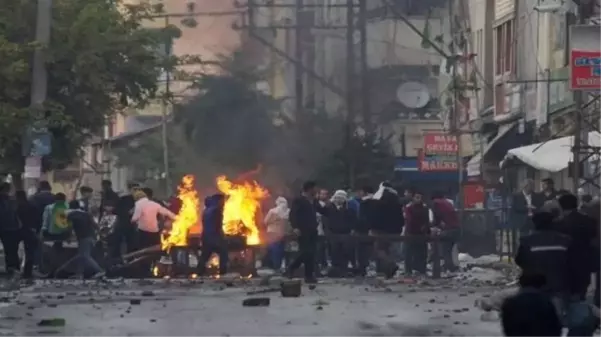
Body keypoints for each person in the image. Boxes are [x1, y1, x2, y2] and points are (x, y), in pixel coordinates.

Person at [514, 212, 570, 304]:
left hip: (534, 285)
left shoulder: (527, 241)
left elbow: (520, 260)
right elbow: (571, 262)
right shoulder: (565, 240)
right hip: (559, 285)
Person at [555, 193, 597, 300]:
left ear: (561, 206)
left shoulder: (559, 224)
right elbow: (593, 237)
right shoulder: (589, 221)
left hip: (565, 263)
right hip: (584, 262)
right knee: (581, 294)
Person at [501, 272, 562, 337]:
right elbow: (555, 328)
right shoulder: (546, 303)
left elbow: (507, 328)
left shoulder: (511, 303)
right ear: (542, 286)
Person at [286, 181, 323, 283]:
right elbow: (292, 215)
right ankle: (292, 267)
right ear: (310, 189)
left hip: (313, 230)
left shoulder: (314, 201)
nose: (316, 191)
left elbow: (322, 210)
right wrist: (295, 227)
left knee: (312, 254)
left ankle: (309, 276)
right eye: (315, 188)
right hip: (302, 230)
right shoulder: (299, 200)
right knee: (306, 252)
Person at [54, 203, 104, 279]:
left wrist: (69, 237)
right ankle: (78, 272)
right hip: (92, 237)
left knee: (85, 256)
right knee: (82, 256)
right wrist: (100, 234)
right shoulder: (86, 214)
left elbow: (69, 227)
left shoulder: (71, 214)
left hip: (83, 238)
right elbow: (95, 225)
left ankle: (99, 271)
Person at [370, 182, 403, 278]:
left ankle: (390, 265)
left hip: (380, 229)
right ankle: (388, 271)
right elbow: (400, 216)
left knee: (379, 250)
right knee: (390, 250)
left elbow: (375, 215)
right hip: (394, 229)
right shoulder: (396, 200)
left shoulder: (378, 198)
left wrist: (373, 226)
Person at [323, 190, 357, 277]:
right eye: (337, 197)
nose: (339, 199)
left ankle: (344, 270)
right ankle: (336, 270)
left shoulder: (349, 209)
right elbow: (326, 221)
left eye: (341, 198)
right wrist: (327, 232)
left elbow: (353, 221)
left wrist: (352, 230)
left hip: (345, 234)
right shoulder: (329, 208)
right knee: (334, 252)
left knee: (345, 252)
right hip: (333, 233)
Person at [197, 194, 228, 276]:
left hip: (205, 237)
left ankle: (199, 272)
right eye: (222, 201)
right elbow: (218, 226)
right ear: (218, 201)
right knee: (223, 252)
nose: (224, 203)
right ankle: (223, 272)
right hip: (214, 237)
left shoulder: (206, 210)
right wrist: (223, 237)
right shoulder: (217, 210)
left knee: (205, 255)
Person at [431, 191, 460, 273]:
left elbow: (437, 217)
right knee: (448, 250)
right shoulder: (447, 202)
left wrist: (434, 226)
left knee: (445, 250)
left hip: (449, 230)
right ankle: (450, 267)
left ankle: (448, 268)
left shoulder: (436, 203)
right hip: (456, 229)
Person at [404, 191, 430, 276]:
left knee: (421, 253)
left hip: (421, 233)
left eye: (420, 197)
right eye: (417, 197)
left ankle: (421, 269)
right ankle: (409, 270)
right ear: (413, 198)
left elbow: (427, 220)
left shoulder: (424, 208)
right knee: (409, 253)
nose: (419, 199)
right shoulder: (409, 207)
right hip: (411, 233)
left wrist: (425, 228)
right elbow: (409, 220)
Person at [15, 190, 39, 279]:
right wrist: (36, 229)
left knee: (14, 251)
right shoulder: (32, 206)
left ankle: (16, 269)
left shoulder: (17, 207)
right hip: (30, 231)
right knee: (30, 253)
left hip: (19, 231)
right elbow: (37, 219)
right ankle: (27, 272)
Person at [112, 183, 139, 257]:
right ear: (130, 190)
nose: (137, 191)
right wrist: (127, 212)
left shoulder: (139, 201)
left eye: (138, 190)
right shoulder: (124, 199)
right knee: (117, 243)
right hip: (122, 224)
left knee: (132, 244)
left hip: (133, 226)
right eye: (135, 189)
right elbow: (115, 210)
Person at [263, 197, 290, 271]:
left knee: (273, 250)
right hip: (283, 233)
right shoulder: (288, 211)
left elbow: (266, 221)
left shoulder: (272, 211)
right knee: (281, 250)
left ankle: (275, 266)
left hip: (272, 233)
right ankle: (282, 266)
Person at [355, 186, 376, 276]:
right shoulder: (377, 202)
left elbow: (362, 217)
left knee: (362, 250)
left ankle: (362, 269)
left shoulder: (364, 203)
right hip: (374, 229)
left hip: (363, 230)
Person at [0, 183, 20, 275]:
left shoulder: (9, 200)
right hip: (10, 228)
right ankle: (13, 267)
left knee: (9, 249)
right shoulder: (10, 200)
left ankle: (11, 267)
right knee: (11, 249)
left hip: (6, 227)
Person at [315, 188, 329, 272]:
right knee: (318, 248)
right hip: (318, 230)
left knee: (324, 248)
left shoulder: (329, 205)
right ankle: (319, 264)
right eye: (322, 194)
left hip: (326, 230)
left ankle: (324, 264)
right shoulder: (316, 204)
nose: (324, 195)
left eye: (325, 194)